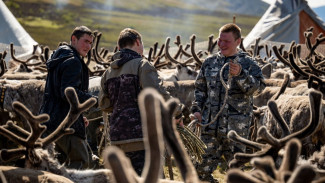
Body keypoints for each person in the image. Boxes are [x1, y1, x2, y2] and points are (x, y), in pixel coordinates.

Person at [190, 23, 265, 182]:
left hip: (236, 132)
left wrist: (241, 75)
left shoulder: (248, 64)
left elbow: (258, 89)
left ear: (238, 41)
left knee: (236, 176)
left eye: (227, 41)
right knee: (199, 173)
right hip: (210, 128)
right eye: (219, 40)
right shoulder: (209, 62)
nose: (221, 44)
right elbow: (200, 89)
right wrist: (196, 109)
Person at [98, 28, 176, 175]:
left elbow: (104, 104)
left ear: (119, 46)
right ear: (137, 42)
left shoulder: (108, 72)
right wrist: (177, 113)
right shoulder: (142, 65)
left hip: (116, 139)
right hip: (142, 138)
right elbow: (156, 95)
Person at [40, 25, 97, 169]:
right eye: (85, 41)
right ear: (74, 39)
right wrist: (92, 100)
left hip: (49, 120)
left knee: (57, 164)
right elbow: (68, 92)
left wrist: (79, 115)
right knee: (81, 163)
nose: (89, 46)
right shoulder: (73, 62)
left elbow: (59, 94)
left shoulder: (59, 58)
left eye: (91, 43)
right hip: (66, 125)